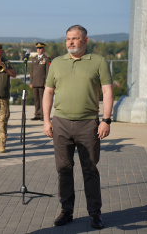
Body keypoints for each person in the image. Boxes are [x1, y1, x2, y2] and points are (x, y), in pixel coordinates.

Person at [43, 25, 113, 229]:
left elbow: (108, 92)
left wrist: (106, 120)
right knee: (63, 169)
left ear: (85, 40)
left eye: (74, 39)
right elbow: (48, 92)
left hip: (88, 124)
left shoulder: (98, 61)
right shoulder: (56, 63)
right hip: (61, 124)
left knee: (90, 169)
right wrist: (47, 120)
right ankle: (66, 211)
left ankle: (95, 213)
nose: (70, 43)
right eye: (67, 39)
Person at [29, 42, 50, 120]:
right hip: (35, 82)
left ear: (43, 49)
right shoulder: (34, 59)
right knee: (36, 99)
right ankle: (37, 114)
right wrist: (31, 82)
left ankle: (43, 115)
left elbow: (48, 71)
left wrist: (46, 82)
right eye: (38, 48)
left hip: (42, 82)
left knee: (42, 99)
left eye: (40, 48)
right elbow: (31, 71)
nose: (39, 50)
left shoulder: (46, 59)